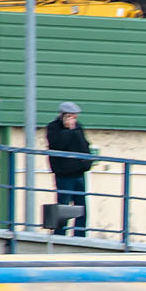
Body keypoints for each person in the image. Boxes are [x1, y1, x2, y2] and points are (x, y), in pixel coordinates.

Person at [44, 101, 93, 235]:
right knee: (63, 206)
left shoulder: (78, 128)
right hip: (64, 174)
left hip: (78, 173)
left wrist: (74, 131)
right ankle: (59, 234)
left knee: (81, 207)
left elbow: (83, 146)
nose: (73, 120)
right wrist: (67, 130)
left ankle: (80, 235)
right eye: (71, 116)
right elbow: (58, 145)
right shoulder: (53, 128)